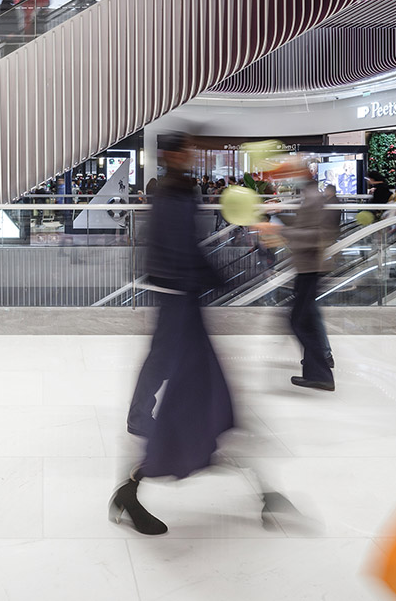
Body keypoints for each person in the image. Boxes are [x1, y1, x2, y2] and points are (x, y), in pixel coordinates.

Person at [114, 132, 235, 533]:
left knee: (187, 376)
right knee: (187, 383)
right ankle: (134, 486)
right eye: (184, 150)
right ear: (170, 155)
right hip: (179, 298)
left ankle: (190, 446)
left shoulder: (179, 190)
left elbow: (184, 248)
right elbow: (181, 249)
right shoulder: (171, 193)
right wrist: (217, 277)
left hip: (182, 298)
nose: (192, 155)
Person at [255, 157, 335, 390]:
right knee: (305, 320)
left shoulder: (313, 198)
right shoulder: (309, 196)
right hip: (306, 267)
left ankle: (321, 373)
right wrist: (280, 214)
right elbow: (305, 227)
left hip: (311, 267)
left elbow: (318, 236)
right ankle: (318, 373)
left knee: (300, 321)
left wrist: (280, 228)